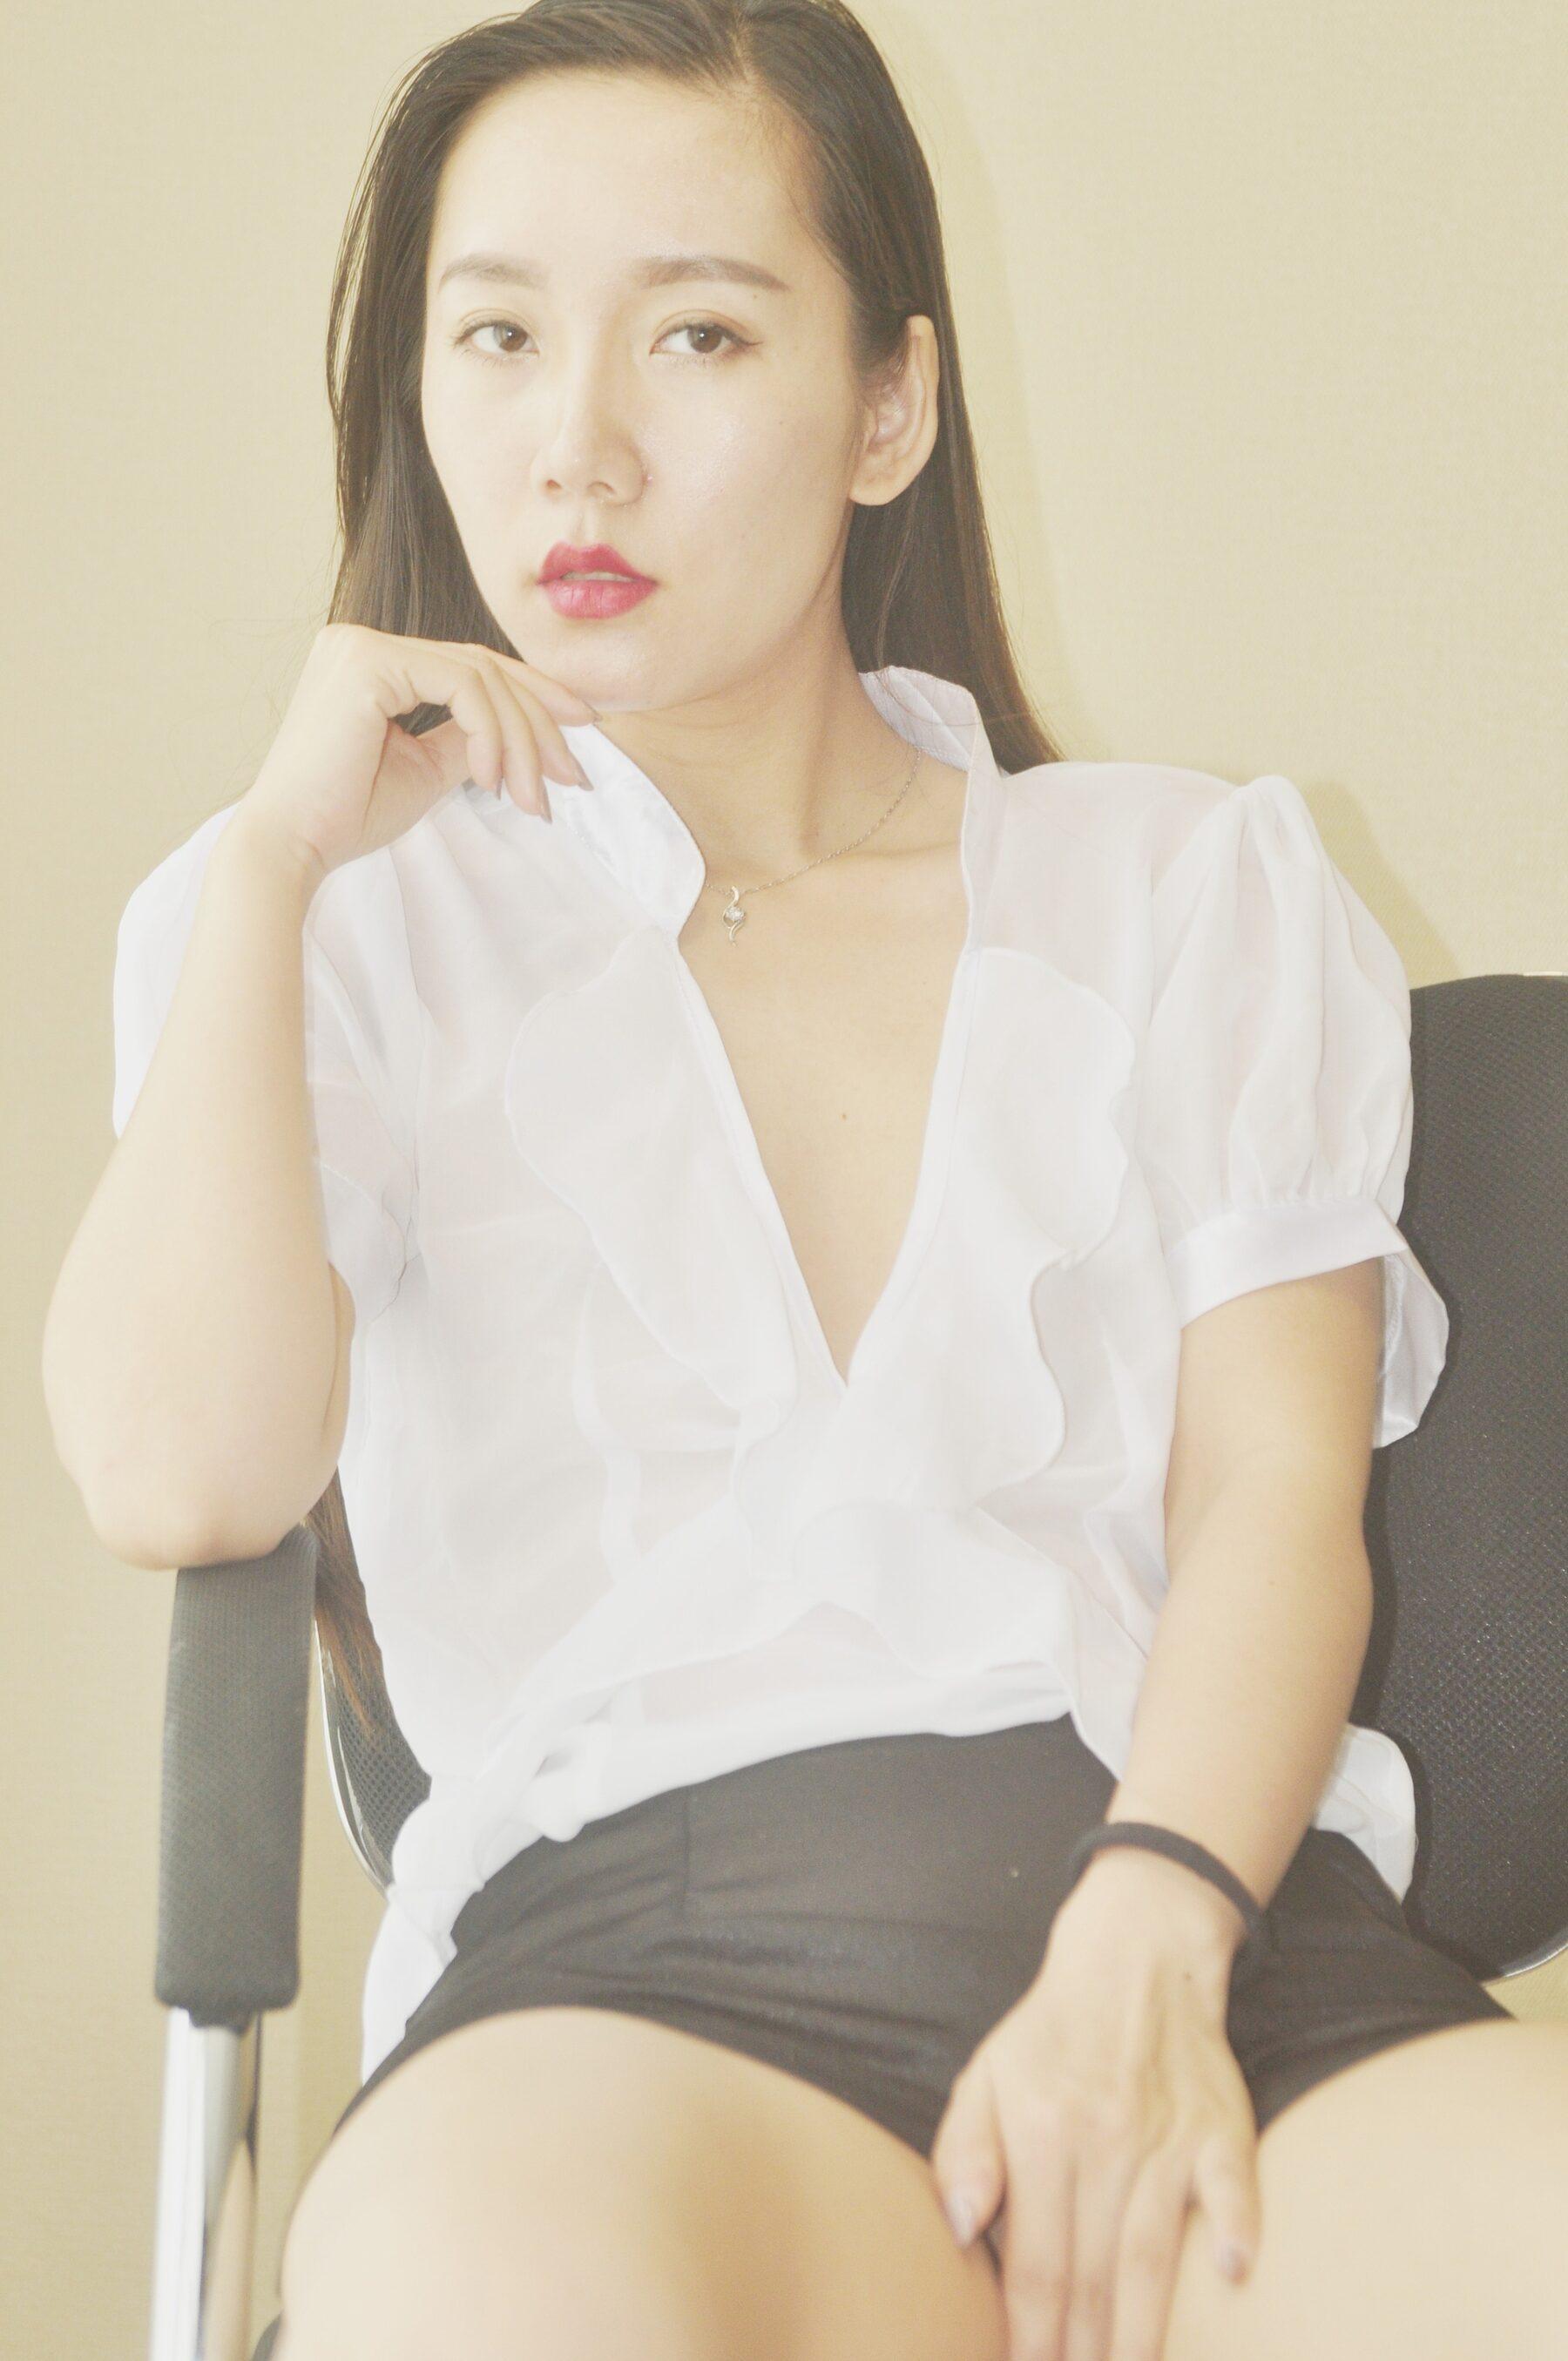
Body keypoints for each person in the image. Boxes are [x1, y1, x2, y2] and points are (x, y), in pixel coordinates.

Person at [57, 4, 1564, 2358]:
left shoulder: (1193, 890)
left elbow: (1280, 1501)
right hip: (633, 2000)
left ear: (890, 406)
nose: (579, 445)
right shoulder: (319, 928)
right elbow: (182, 1477)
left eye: (697, 332)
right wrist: (269, 866)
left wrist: (1151, 1936)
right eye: (497, 335)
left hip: (1205, 1942)